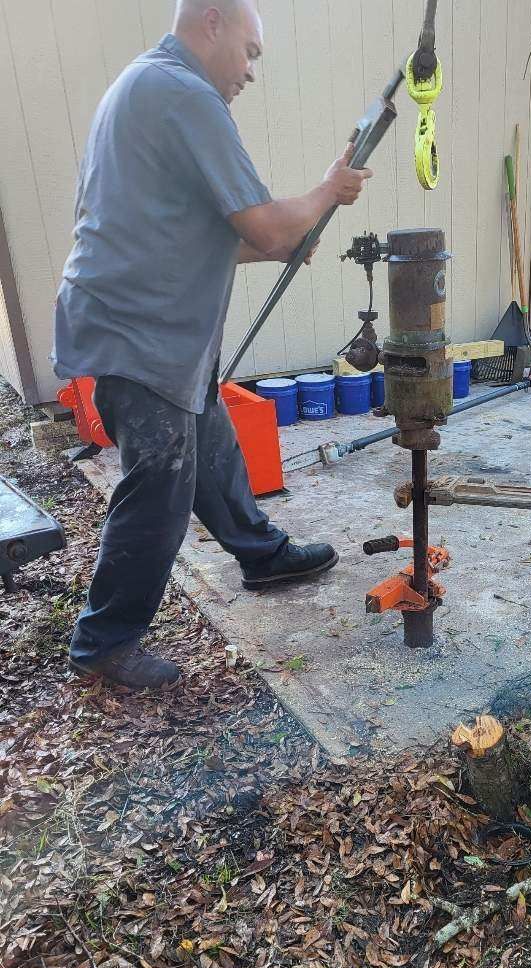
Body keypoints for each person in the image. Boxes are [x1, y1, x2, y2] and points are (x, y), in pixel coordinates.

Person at [52, 0, 372, 691]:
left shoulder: (146, 85)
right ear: (212, 24)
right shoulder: (182, 94)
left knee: (210, 445)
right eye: (251, 52)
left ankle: (260, 553)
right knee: (161, 484)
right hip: (139, 332)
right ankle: (103, 644)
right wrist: (323, 195)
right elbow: (265, 229)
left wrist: (285, 229)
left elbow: (188, 233)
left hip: (147, 324)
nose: (251, 71)